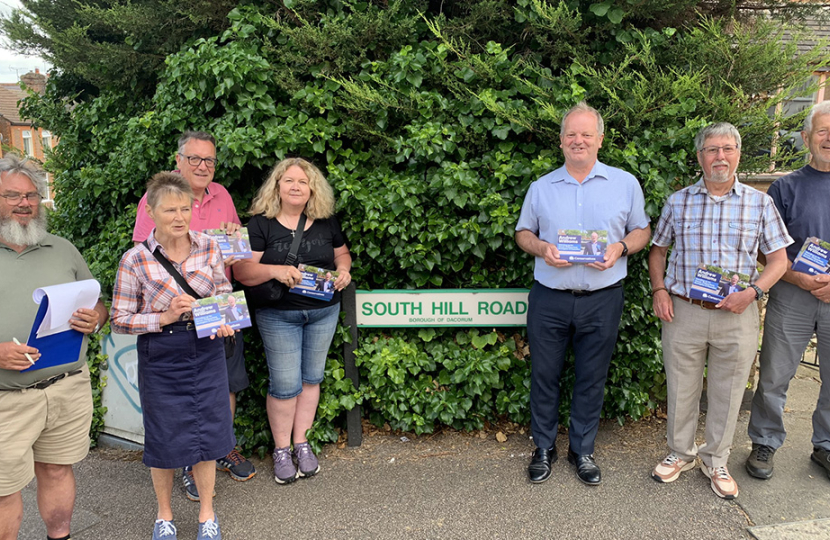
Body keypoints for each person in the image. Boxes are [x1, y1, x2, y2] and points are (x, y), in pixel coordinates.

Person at [649, 122, 791, 499]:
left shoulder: (760, 203)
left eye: (727, 149)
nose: (720, 157)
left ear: (738, 155)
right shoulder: (678, 201)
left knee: (728, 392)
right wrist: (659, 289)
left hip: (738, 312)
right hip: (685, 311)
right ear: (699, 156)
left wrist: (754, 291)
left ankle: (716, 459)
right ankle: (680, 453)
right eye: (711, 150)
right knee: (681, 386)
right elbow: (658, 250)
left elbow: (779, 260)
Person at [515, 102, 651, 486]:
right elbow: (523, 233)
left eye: (586, 134)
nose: (579, 140)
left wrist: (620, 248)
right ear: (561, 142)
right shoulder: (541, 188)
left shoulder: (625, 184)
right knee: (544, 374)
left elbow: (642, 230)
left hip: (602, 297)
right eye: (571, 134)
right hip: (550, 297)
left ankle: (582, 450)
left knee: (592, 377)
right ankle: (543, 447)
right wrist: (541, 248)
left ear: (600, 140)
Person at [132, 131, 255, 500]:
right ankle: (187, 461)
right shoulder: (154, 201)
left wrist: (234, 238)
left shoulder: (223, 195)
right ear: (178, 159)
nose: (203, 166)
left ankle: (220, 449)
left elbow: (238, 251)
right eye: (195, 158)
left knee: (226, 384)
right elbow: (145, 256)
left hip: (219, 307)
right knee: (181, 393)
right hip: (176, 315)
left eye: (210, 160)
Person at [112, 172, 236, 540]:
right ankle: (164, 515)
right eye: (170, 210)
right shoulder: (134, 259)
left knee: (209, 436)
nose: (180, 217)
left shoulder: (209, 247)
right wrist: (164, 315)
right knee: (164, 436)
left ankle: (207, 514)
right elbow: (119, 320)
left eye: (185, 208)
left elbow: (225, 292)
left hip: (206, 349)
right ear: (151, 212)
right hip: (161, 353)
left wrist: (223, 318)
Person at [0, 153, 109, 540]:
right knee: (3, 490)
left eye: (31, 195)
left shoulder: (62, 248)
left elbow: (97, 301)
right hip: (7, 398)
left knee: (58, 469)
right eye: (13, 196)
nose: (25, 204)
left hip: (66, 388)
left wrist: (95, 317)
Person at [234, 158, 352, 484]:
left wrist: (344, 271)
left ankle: (302, 443)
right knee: (286, 386)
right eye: (289, 181)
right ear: (278, 186)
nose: (296, 186)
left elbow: (342, 253)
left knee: (312, 379)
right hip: (278, 315)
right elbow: (243, 272)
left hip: (323, 311)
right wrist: (276, 271)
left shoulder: (326, 221)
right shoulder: (260, 224)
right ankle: (281, 450)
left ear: (312, 187)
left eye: (303, 181)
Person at [746, 102, 830, 481]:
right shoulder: (785, 187)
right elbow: (766, 249)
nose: (829, 138)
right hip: (792, 294)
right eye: (823, 130)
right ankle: (764, 441)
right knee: (775, 375)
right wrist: (798, 278)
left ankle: (825, 446)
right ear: (806, 138)